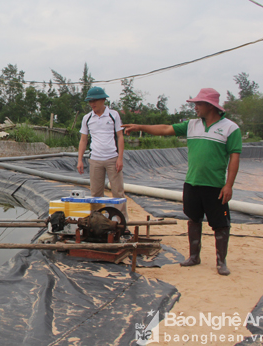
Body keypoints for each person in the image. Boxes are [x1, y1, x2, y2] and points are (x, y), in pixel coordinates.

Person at [122, 88, 241, 276]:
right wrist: (140, 127)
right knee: (193, 219)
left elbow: (235, 156)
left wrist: (229, 185)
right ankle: (194, 256)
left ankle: (221, 262)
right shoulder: (192, 125)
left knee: (221, 224)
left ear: (210, 106)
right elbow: (165, 129)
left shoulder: (230, 128)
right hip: (192, 183)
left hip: (215, 186)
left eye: (198, 104)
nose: (195, 107)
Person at [77, 86, 128, 221]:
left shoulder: (113, 115)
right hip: (95, 159)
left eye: (95, 101)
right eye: (90, 101)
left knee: (118, 192)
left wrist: (120, 158)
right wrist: (80, 160)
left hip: (112, 158)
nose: (92, 104)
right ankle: (97, 221)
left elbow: (120, 136)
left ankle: (121, 222)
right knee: (95, 193)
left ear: (103, 100)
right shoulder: (87, 118)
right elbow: (83, 140)